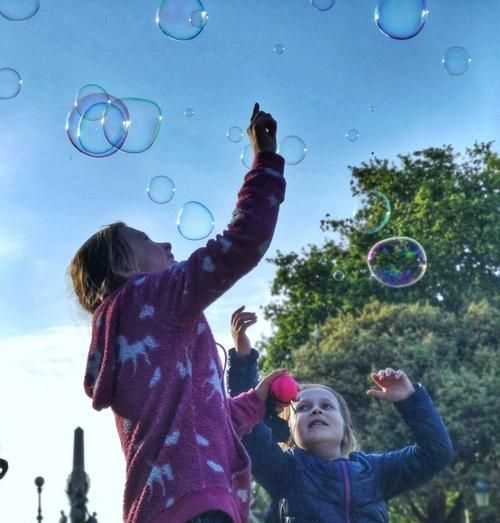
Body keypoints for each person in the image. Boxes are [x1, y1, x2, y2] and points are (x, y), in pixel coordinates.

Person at [68, 103, 287, 523]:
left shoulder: (130, 337)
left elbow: (208, 421)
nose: (167, 246)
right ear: (124, 268)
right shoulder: (149, 298)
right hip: (200, 504)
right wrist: (265, 160)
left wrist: (257, 399)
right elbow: (243, 242)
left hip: (157, 508)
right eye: (148, 240)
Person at [227, 307, 454, 523]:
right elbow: (248, 428)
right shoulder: (285, 471)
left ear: (345, 426)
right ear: (291, 430)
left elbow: (436, 453)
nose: (316, 409)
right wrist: (243, 360)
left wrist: (410, 399)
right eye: (304, 408)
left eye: (327, 406)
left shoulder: (375, 471)